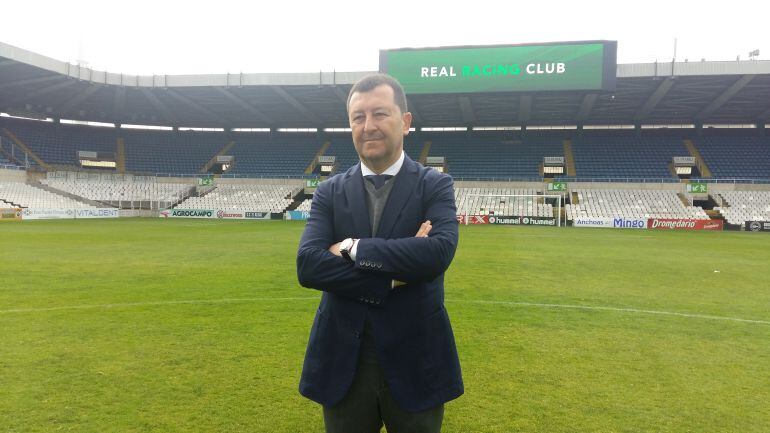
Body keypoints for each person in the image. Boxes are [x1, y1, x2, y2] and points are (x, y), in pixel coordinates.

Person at [296, 73, 463, 433]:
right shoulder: (329, 191)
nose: (368, 126)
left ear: (405, 122)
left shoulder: (434, 184)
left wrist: (351, 248)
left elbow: (436, 254)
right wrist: (391, 277)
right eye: (358, 117)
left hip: (417, 360)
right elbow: (308, 265)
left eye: (380, 114)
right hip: (344, 362)